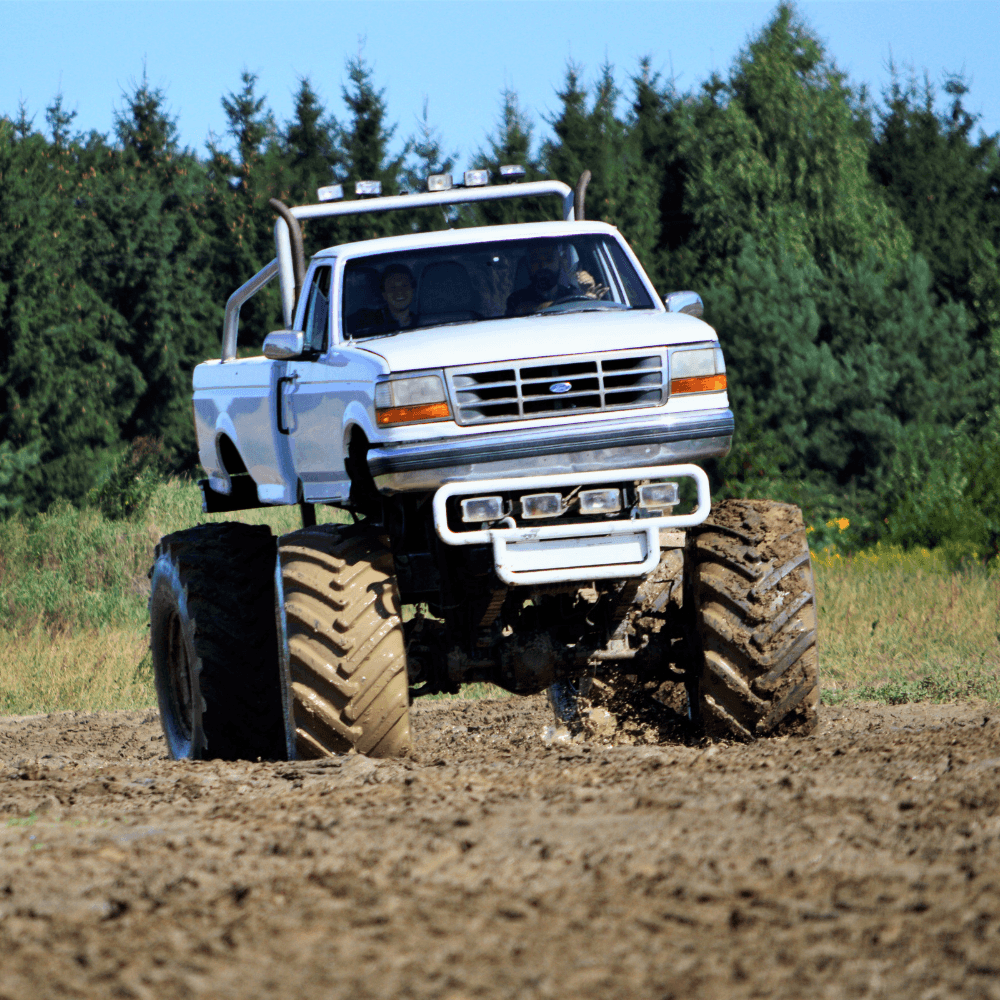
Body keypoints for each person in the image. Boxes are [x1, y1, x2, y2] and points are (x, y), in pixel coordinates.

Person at [505, 243, 603, 316]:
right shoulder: (517, 299)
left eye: (549, 259)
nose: (543, 265)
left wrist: (589, 297)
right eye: (536, 260)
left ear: (560, 262)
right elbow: (522, 310)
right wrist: (576, 304)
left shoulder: (573, 294)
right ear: (527, 264)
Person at [347, 263, 419, 335]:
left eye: (404, 286)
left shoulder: (424, 323)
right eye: (392, 287)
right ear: (384, 294)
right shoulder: (364, 320)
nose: (399, 292)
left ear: (413, 290)